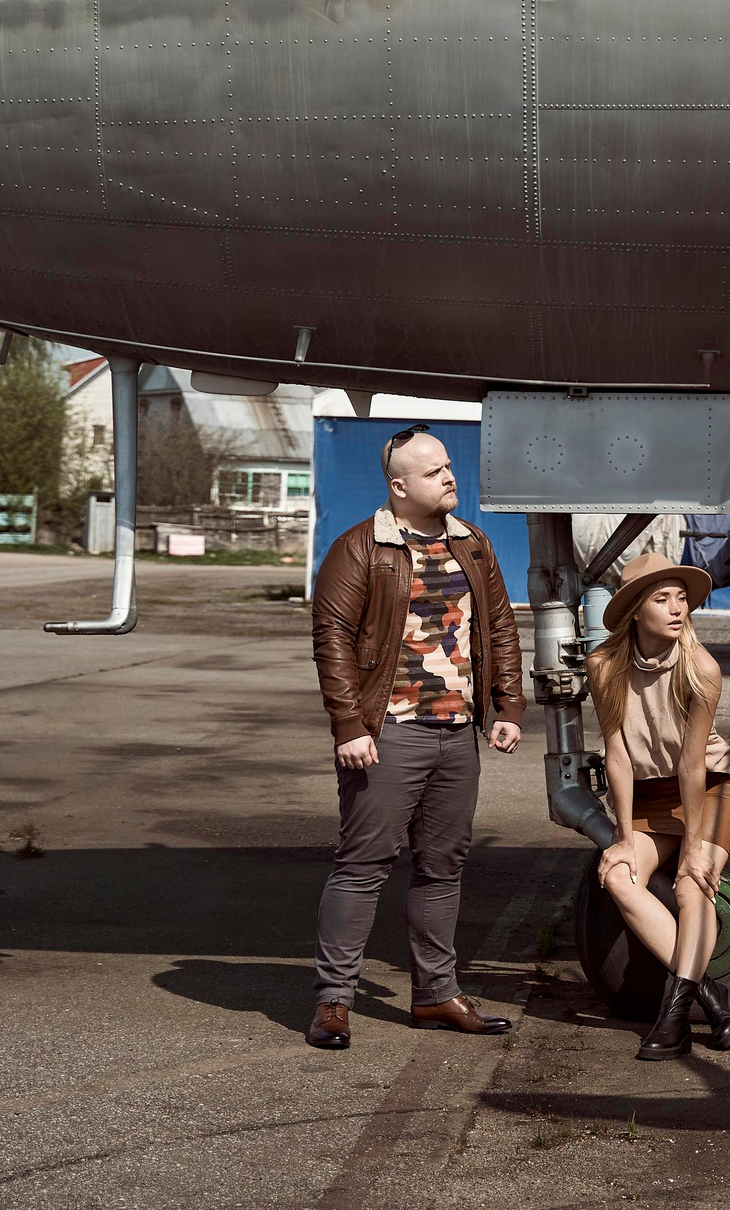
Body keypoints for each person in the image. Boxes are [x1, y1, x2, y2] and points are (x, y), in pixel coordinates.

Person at [304, 424, 526, 1050]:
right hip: (388, 734)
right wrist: (349, 725)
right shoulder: (360, 549)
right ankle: (334, 1002)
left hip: (457, 734)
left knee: (442, 868)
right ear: (399, 488)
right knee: (363, 866)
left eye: (449, 466)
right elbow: (334, 641)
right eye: (433, 472)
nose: (449, 477)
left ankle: (435, 995)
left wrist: (505, 705)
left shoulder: (472, 545)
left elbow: (500, 627)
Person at [586, 551, 730, 1060]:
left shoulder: (701, 667)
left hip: (712, 784)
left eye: (683, 598)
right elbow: (615, 754)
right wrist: (621, 837)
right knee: (618, 875)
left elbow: (692, 766)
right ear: (635, 610)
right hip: (651, 791)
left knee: (692, 884)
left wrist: (695, 849)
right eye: (662, 598)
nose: (678, 608)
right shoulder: (603, 666)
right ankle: (711, 996)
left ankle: (674, 1015)